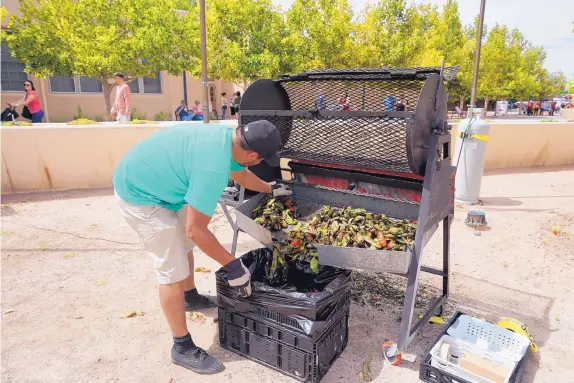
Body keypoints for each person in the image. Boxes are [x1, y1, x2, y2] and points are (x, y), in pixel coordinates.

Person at [112, 120, 292, 374]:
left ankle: (191, 297)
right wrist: (234, 266)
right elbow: (197, 230)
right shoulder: (212, 169)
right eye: (263, 159)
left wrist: (270, 189)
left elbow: (239, 173)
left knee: (184, 244)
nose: (262, 163)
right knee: (171, 270)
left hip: (161, 184)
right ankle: (181, 346)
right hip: (140, 195)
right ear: (252, 154)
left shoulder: (226, 139)